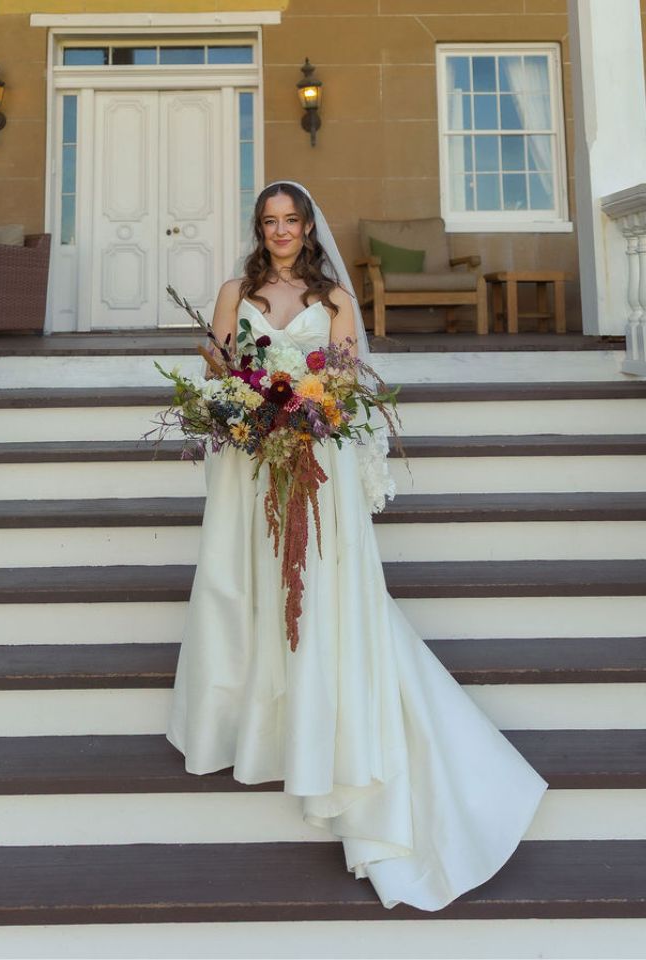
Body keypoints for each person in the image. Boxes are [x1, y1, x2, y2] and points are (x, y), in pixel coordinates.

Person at [165, 180, 548, 911]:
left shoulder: (337, 298)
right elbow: (216, 370)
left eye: (291, 219)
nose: (280, 230)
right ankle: (251, 716)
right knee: (241, 581)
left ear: (308, 227)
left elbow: (343, 382)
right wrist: (233, 386)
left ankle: (318, 723)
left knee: (316, 587)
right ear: (259, 228)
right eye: (268, 221)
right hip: (250, 461)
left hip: (316, 460)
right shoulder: (230, 290)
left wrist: (299, 401)